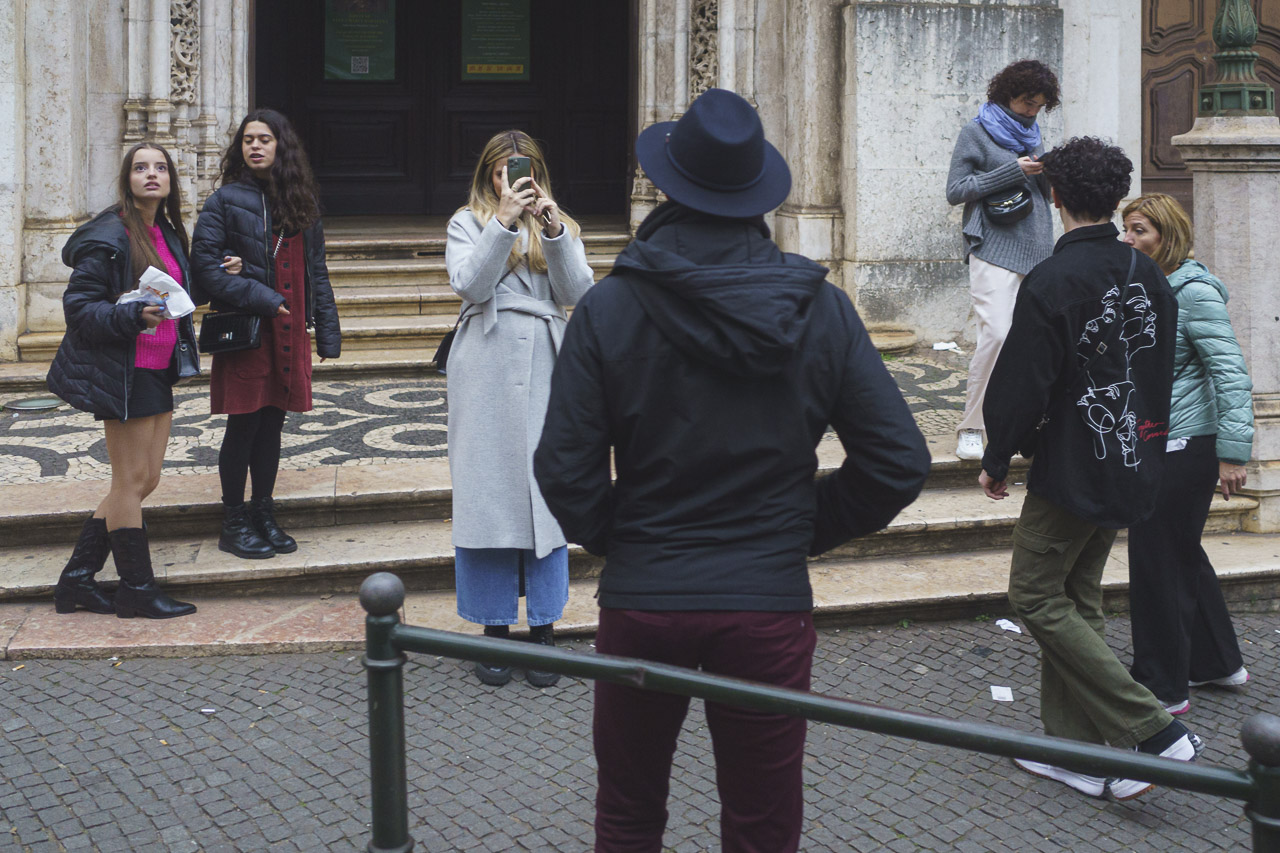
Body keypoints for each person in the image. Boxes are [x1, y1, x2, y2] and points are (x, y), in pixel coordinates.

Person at [534, 88, 931, 852]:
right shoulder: (824, 309)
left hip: (646, 598)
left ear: (668, 186)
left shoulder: (610, 308)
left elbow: (563, 464)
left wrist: (629, 537)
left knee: (627, 811)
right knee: (763, 819)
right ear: (758, 195)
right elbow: (897, 461)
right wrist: (797, 530)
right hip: (766, 605)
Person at [978, 137, 1202, 801]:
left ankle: (1154, 730)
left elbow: (1021, 381)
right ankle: (1076, 751)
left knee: (1035, 595)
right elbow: (1156, 376)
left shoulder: (1054, 278)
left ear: (1054, 195)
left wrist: (996, 457)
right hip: (1134, 458)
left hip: (1074, 467)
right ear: (1113, 195)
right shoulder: (1148, 273)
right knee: (1076, 598)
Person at [47, 142, 240, 619]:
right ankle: (136, 587)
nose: (151, 175)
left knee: (145, 479)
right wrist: (133, 316)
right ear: (127, 179)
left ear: (171, 180)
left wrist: (221, 271)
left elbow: (179, 293)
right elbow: (80, 308)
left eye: (159, 168)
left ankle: (76, 580)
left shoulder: (167, 231)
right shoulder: (110, 235)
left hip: (158, 367)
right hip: (123, 372)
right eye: (140, 168)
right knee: (130, 481)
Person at [445, 129, 595, 688]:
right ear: (492, 175)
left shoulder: (561, 224)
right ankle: (494, 629)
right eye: (507, 171)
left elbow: (578, 290)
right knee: (488, 492)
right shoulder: (467, 222)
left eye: (526, 170)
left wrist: (553, 231)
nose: (517, 180)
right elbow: (470, 285)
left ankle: (545, 630)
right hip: (484, 360)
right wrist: (503, 222)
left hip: (547, 367)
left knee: (546, 494)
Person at [1120, 193, 1253, 715]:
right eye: (1126, 229)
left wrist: (1233, 454)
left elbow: (1230, 373)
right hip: (1160, 438)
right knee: (1180, 553)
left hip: (1185, 444)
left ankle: (1162, 687)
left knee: (1157, 562)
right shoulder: (1146, 283)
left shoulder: (1193, 292)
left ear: (1167, 235)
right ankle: (1218, 662)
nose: (1128, 239)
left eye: (1139, 230)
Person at [192, 108, 342, 560]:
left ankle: (263, 511)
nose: (255, 146)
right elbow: (204, 270)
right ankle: (234, 519)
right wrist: (259, 294)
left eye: (264, 139)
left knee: (274, 423)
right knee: (245, 425)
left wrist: (329, 331)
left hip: (291, 330)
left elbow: (316, 270)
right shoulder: (223, 202)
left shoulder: (302, 204)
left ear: (281, 147)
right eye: (247, 140)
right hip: (250, 332)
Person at [947, 59, 1060, 461]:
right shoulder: (975, 133)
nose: (1031, 111)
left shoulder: (1033, 134)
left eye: (1038, 105)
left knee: (1029, 345)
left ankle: (1014, 427)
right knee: (995, 335)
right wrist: (1012, 171)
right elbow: (956, 190)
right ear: (1006, 94)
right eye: (1026, 102)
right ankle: (972, 427)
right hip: (993, 245)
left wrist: (1050, 170)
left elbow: (1044, 193)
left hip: (1037, 246)